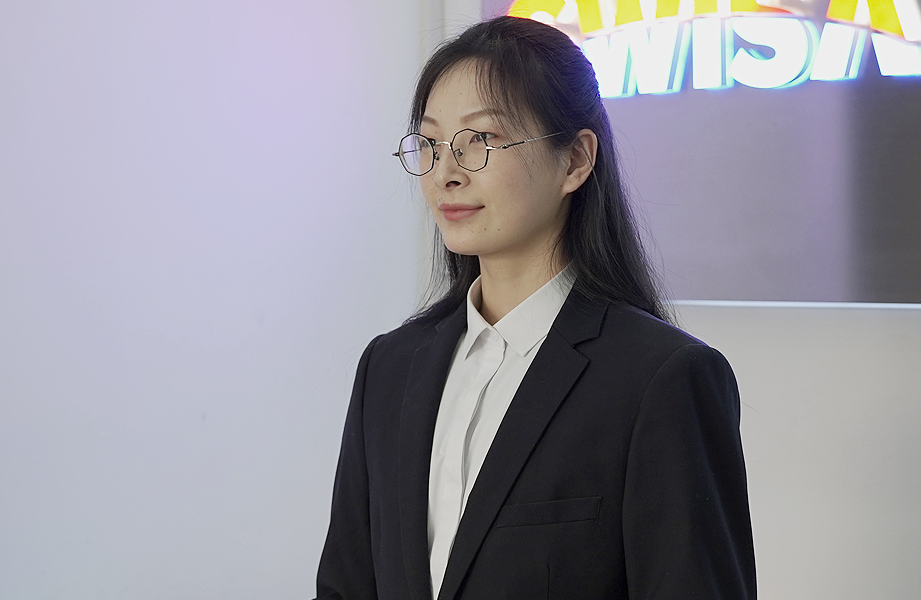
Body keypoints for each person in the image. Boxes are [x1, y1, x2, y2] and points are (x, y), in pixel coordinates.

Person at [314, 16, 756, 600]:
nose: (446, 173)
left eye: (480, 140)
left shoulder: (662, 379)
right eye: (432, 143)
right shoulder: (389, 369)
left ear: (574, 160)